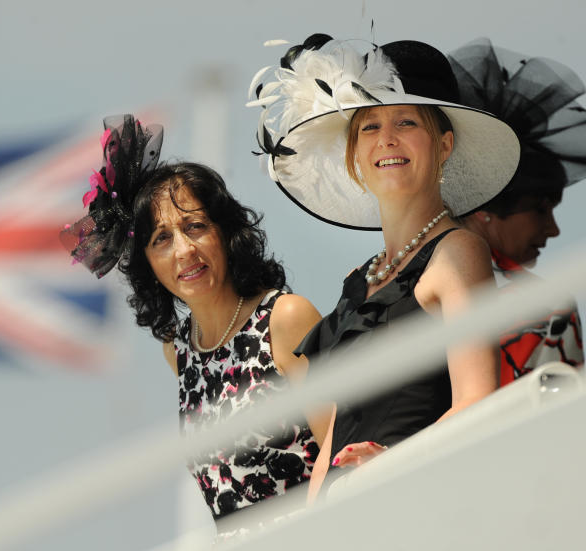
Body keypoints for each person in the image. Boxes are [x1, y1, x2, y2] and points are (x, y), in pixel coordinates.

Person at [247, 36, 520, 489]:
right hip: (345, 522)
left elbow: (478, 398)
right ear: (355, 153)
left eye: (406, 121)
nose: (386, 139)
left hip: (413, 502)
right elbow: (332, 441)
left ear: (444, 144)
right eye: (369, 126)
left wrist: (394, 462)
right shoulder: (357, 282)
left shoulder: (459, 251)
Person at [62, 115, 329, 530]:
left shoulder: (285, 318)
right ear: (147, 264)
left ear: (225, 233)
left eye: (196, 226)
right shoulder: (179, 352)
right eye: (162, 239)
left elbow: (338, 440)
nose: (184, 250)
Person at [449, 38, 585, 385]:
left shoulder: (392, 290)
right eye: (540, 210)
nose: (553, 230)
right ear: (486, 206)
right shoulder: (543, 309)